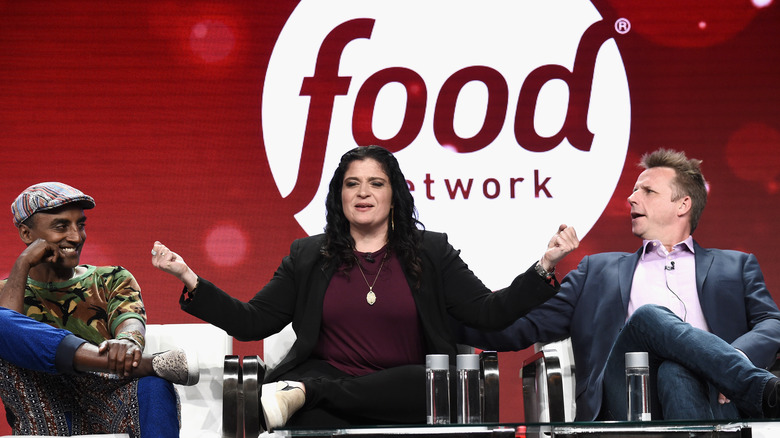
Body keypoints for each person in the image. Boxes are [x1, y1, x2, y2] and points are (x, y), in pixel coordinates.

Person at [151, 145, 579, 430]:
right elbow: (252, 322)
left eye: (376, 183)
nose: (363, 193)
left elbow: (489, 313)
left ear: (395, 195)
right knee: (311, 415)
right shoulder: (308, 255)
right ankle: (312, 392)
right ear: (339, 196)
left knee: (430, 382)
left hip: (405, 391)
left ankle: (308, 392)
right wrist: (191, 279)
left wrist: (545, 265)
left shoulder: (431, 251)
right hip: (327, 390)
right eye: (352, 183)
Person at [462, 148, 780, 421]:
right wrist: (446, 314)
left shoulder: (735, 266)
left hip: (717, 400)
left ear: (683, 205)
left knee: (675, 369)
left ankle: (740, 379)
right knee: (648, 316)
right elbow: (517, 327)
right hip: (624, 401)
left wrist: (737, 355)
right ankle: (759, 389)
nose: (630, 198)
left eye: (647, 191)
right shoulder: (596, 272)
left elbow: (772, 323)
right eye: (634, 190)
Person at [0, 182, 199, 437]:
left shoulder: (111, 278)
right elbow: (7, 334)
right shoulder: (6, 292)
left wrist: (127, 342)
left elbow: (131, 324)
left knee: (154, 384)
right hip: (42, 410)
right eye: (61, 226)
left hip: (109, 402)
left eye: (80, 225)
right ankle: (146, 364)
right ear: (27, 233)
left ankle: (140, 368)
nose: (76, 237)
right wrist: (22, 263)